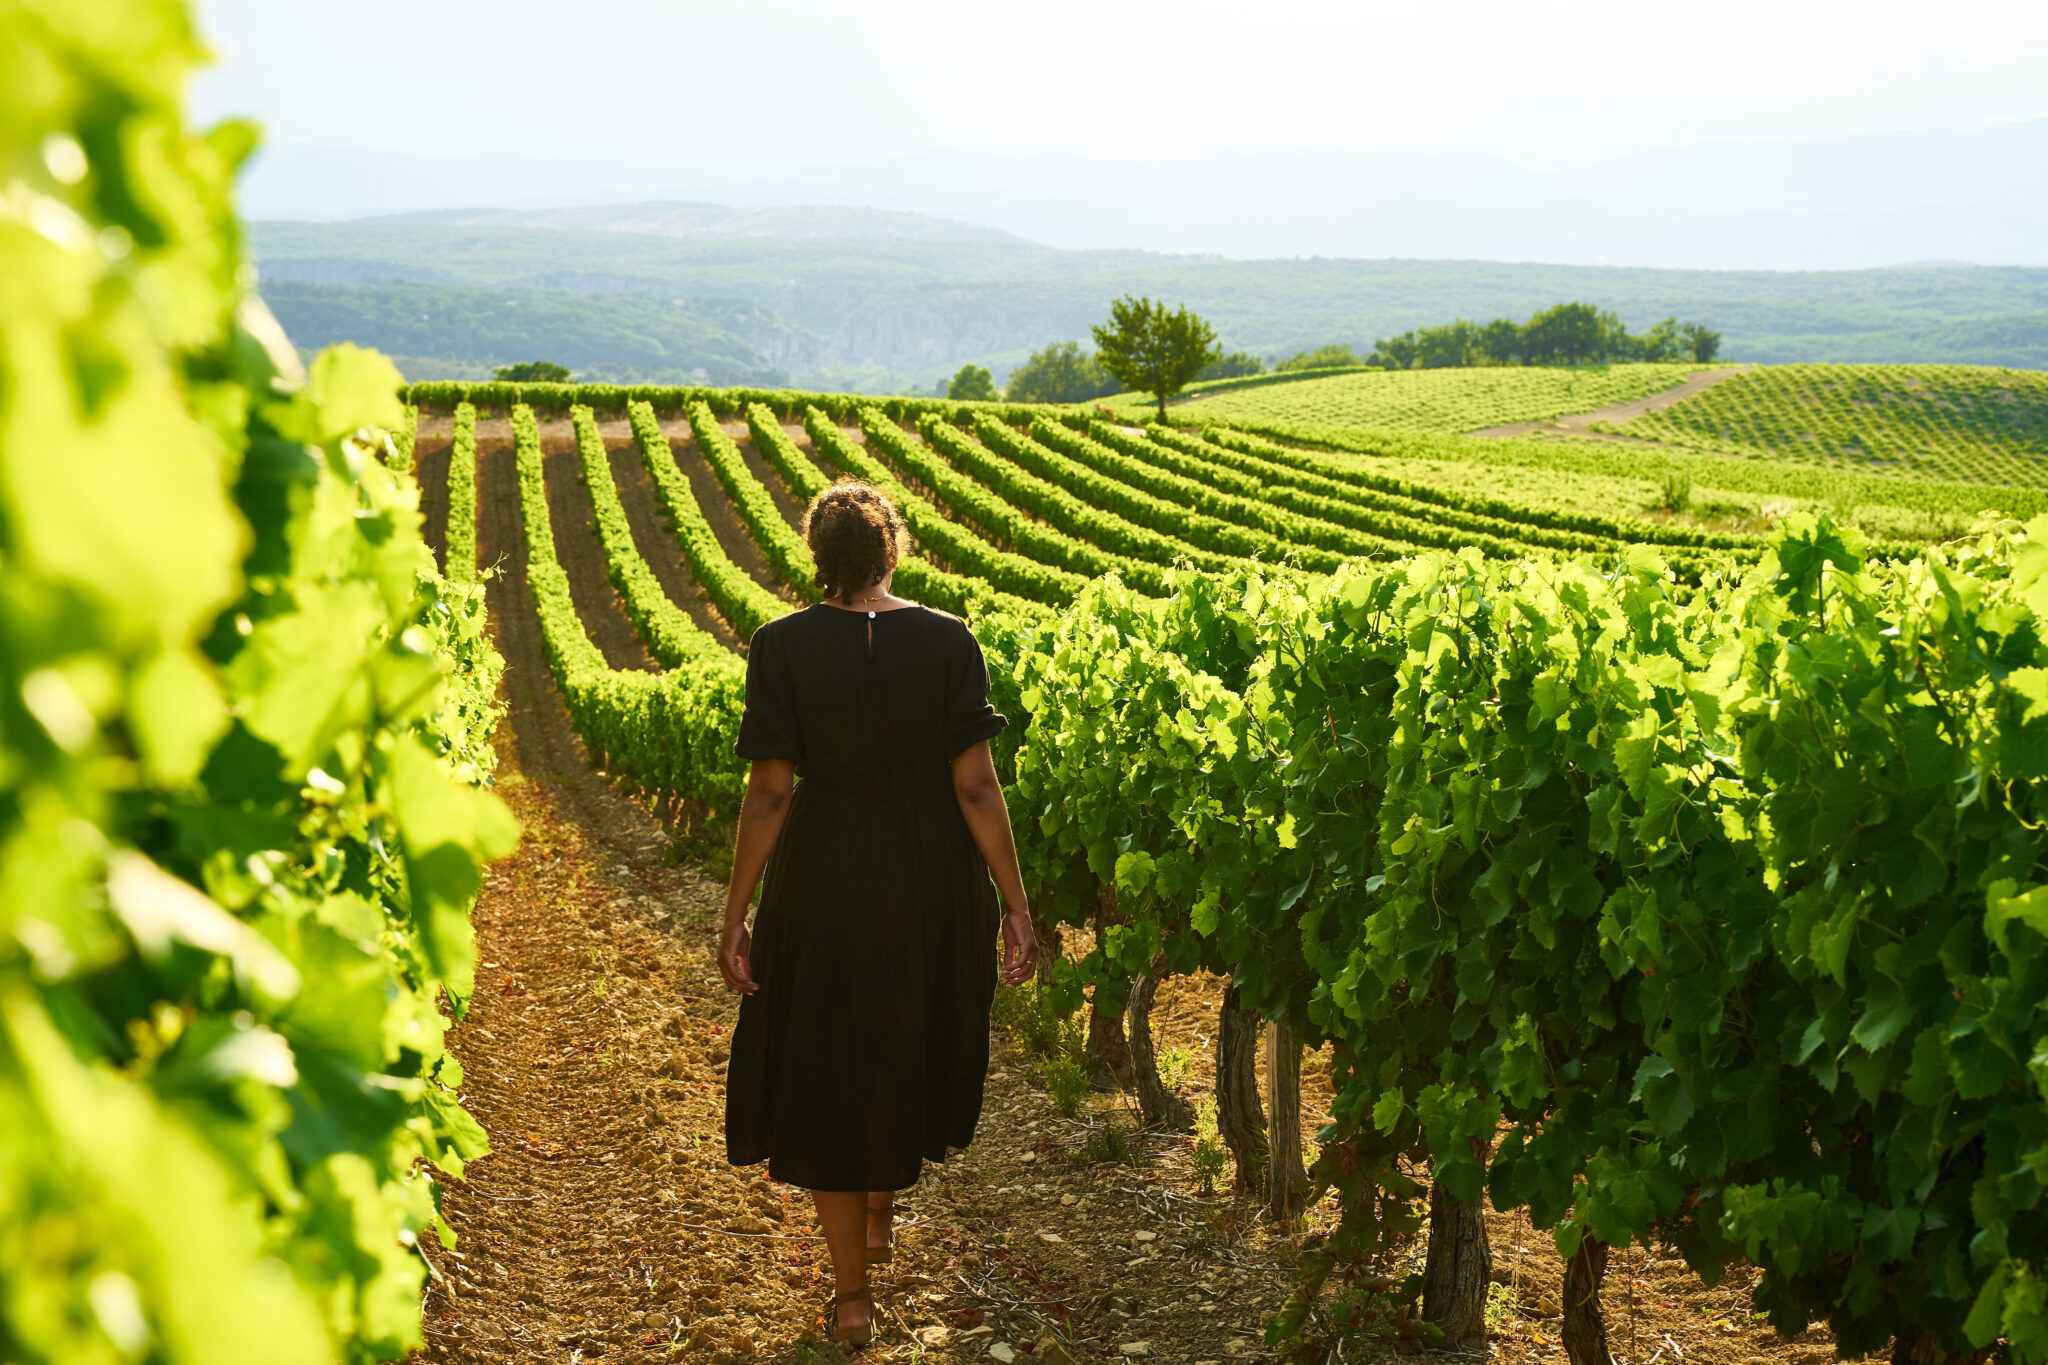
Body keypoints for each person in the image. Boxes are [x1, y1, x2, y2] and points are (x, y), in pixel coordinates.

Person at [717, 477, 1038, 1351]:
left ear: (817, 558)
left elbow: (773, 790)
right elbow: (975, 782)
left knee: (827, 1059)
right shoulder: (948, 641)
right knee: (899, 1035)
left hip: (824, 874)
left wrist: (736, 909)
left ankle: (852, 1294)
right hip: (929, 875)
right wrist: (1015, 902)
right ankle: (879, 1212)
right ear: (892, 549)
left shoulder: (779, 645)